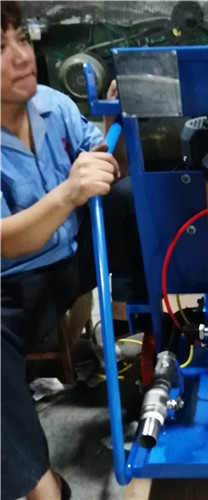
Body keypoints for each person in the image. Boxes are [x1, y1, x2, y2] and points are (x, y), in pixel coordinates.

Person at [1, 2, 147, 499]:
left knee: (131, 199)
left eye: (22, 39)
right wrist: (68, 192)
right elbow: (5, 239)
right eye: (0, 48)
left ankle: (153, 344)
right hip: (14, 286)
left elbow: (108, 165)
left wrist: (116, 123)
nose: (22, 56)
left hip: (78, 252)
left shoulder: (53, 105)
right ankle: (43, 486)